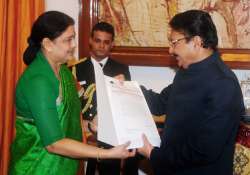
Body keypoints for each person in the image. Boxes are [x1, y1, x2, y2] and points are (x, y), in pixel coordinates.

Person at [9, 11, 135, 175]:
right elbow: (54, 143)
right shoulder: (38, 80)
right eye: (68, 40)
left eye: (73, 37)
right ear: (47, 44)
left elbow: (72, 117)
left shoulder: (64, 72)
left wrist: (97, 120)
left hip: (64, 166)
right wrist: (106, 154)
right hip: (38, 166)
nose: (74, 45)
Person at [137, 10, 245, 175]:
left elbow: (205, 150)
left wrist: (154, 154)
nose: (170, 50)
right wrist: (128, 87)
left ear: (196, 42)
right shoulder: (186, 71)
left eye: (174, 42)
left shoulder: (224, 85)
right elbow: (160, 103)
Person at [70, 21, 139, 175]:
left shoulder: (122, 69)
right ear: (90, 40)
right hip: (84, 131)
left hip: (111, 133)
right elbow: (72, 105)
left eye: (106, 42)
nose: (101, 46)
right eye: (97, 40)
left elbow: (124, 103)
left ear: (112, 44)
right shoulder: (75, 69)